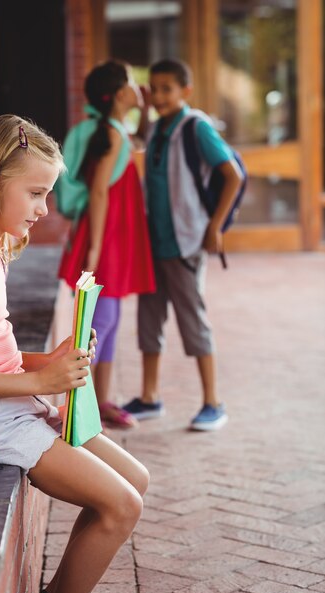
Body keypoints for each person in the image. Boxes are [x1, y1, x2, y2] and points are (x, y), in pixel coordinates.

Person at [0, 114, 149, 593]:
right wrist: (43, 382)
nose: (45, 209)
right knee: (121, 506)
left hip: (16, 403)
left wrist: (54, 358)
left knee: (135, 478)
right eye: (36, 193)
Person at [123, 59, 243, 431]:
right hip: (153, 243)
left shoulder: (197, 127)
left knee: (193, 320)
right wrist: (142, 108)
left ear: (185, 91)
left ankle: (213, 402)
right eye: (153, 89)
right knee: (149, 321)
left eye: (166, 89)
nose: (158, 96)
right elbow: (142, 138)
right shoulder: (159, 127)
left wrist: (215, 226)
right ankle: (150, 396)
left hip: (186, 240)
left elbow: (232, 175)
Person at [58, 60, 156, 429]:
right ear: (118, 95)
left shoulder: (116, 129)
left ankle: (99, 401)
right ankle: (80, 406)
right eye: (132, 83)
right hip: (106, 236)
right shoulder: (112, 134)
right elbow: (99, 191)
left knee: (109, 320)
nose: (138, 90)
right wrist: (96, 249)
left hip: (113, 234)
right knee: (102, 319)